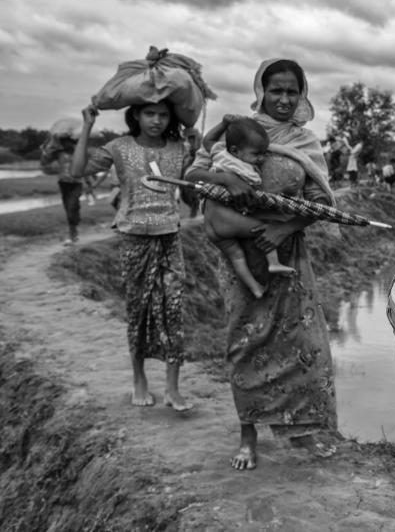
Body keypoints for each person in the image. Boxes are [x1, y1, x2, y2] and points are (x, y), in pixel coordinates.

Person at [185, 58, 339, 471]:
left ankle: (302, 428)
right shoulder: (241, 134)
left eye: (293, 91)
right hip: (243, 258)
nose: (284, 99)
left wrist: (286, 229)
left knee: (302, 345)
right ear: (261, 92)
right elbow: (197, 173)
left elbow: (321, 204)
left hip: (288, 253)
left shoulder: (306, 142)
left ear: (302, 95)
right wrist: (227, 182)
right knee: (246, 343)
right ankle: (248, 434)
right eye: (276, 91)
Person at [70, 101, 194, 411]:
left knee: (174, 308)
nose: (156, 120)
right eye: (150, 113)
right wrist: (87, 125)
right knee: (139, 310)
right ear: (136, 115)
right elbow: (76, 171)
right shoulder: (118, 147)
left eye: (163, 114)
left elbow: (192, 190)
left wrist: (197, 145)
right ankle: (139, 380)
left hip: (170, 235)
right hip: (133, 236)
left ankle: (172, 388)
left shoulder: (179, 147)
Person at [200, 115, 295, 299]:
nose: (261, 158)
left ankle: (255, 288)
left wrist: (223, 124)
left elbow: (207, 140)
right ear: (235, 150)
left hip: (210, 225)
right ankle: (273, 263)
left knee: (237, 256)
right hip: (226, 220)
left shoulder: (220, 153)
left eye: (263, 153)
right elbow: (256, 192)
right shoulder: (245, 171)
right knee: (264, 229)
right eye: (256, 154)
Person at [40, 133, 83, 244]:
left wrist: (90, 184)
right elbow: (45, 162)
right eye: (63, 142)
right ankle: (73, 232)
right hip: (63, 183)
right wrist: (44, 150)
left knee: (72, 205)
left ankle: (73, 230)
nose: (65, 144)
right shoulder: (58, 153)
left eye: (67, 142)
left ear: (73, 142)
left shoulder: (80, 153)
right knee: (68, 208)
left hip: (76, 183)